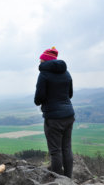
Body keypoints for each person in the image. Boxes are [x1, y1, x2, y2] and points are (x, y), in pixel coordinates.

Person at [34, 47, 75, 178]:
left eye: (40, 59)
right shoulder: (66, 73)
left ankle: (58, 181)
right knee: (67, 149)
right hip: (69, 115)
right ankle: (68, 179)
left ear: (45, 60)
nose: (39, 61)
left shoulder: (44, 74)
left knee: (55, 151)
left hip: (53, 118)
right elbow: (70, 94)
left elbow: (38, 98)